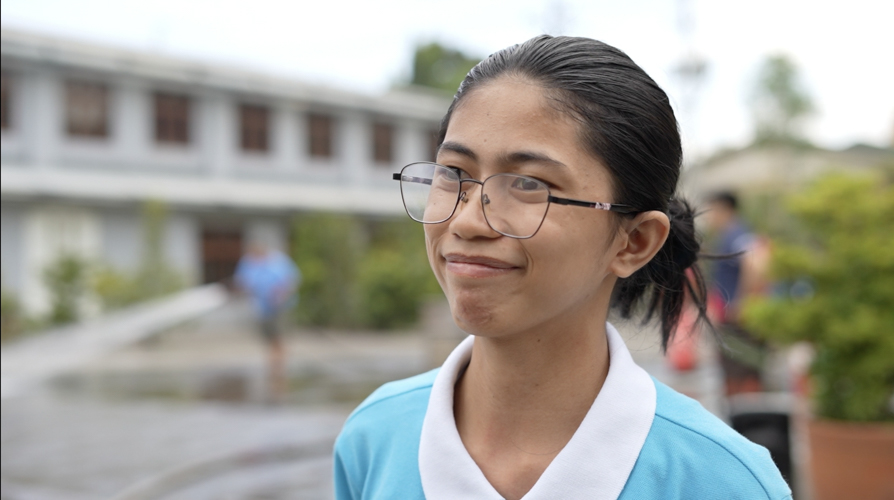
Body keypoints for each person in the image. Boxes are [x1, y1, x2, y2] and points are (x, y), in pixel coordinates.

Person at [334, 36, 790, 499]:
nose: (468, 220)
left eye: (529, 184)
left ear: (634, 241)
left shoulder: (722, 480)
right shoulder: (373, 441)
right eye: (453, 173)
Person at [705, 191, 772, 395]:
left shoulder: (736, 234)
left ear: (723, 209)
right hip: (739, 317)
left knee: (740, 377)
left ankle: (744, 423)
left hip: (739, 320)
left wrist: (742, 303)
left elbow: (757, 262)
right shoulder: (735, 234)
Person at [233, 242, 300, 402]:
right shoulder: (248, 263)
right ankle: (273, 366)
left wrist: (282, 293)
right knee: (268, 338)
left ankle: (278, 369)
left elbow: (293, 280)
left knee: (278, 336)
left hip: (279, 306)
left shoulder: (279, 261)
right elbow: (242, 282)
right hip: (262, 308)